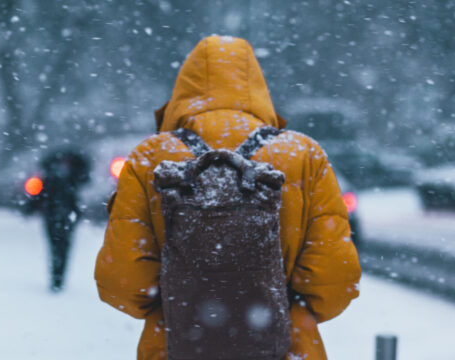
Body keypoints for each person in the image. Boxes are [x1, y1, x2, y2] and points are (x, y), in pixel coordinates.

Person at [95, 36, 362, 360]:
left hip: (173, 346)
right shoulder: (302, 155)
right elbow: (335, 281)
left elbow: (121, 283)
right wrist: (282, 309)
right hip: (285, 348)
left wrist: (180, 304)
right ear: (257, 87)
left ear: (183, 90)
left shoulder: (151, 158)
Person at [25, 148, 89, 292]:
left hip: (56, 215)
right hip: (62, 215)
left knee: (57, 247)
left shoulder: (53, 175)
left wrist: (30, 208)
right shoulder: (70, 176)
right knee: (61, 247)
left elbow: (39, 194)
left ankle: (57, 277)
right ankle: (58, 277)